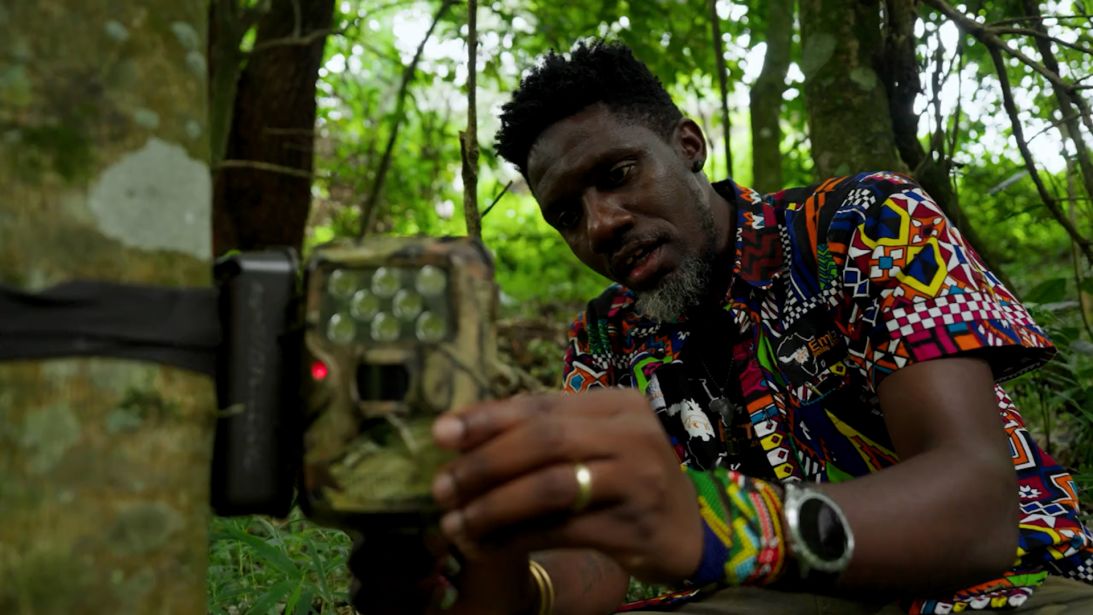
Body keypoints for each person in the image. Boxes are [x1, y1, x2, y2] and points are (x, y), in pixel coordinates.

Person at [350, 40, 1093, 614]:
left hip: (1000, 586)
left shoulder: (859, 225)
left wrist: (720, 523)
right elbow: (597, 558)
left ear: (688, 146)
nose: (600, 224)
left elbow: (977, 506)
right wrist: (500, 578)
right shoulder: (605, 340)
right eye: (566, 215)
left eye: (616, 175)